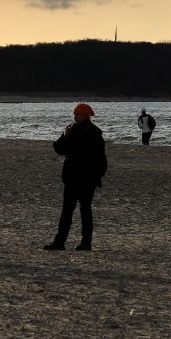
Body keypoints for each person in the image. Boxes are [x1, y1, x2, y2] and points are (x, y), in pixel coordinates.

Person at [45, 102, 108, 252]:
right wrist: (65, 136)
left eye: (78, 114)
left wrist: (96, 176)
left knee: (85, 210)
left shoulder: (94, 133)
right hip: (72, 177)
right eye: (74, 114)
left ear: (86, 115)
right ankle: (60, 242)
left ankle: (86, 242)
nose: (75, 117)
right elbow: (59, 149)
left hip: (87, 178)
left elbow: (101, 159)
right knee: (67, 210)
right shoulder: (71, 130)